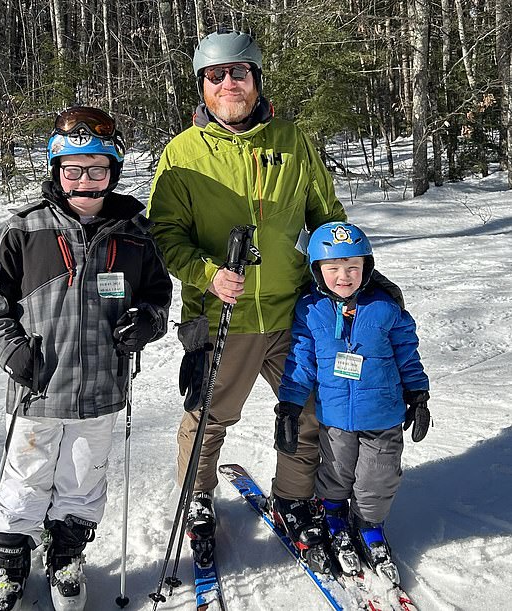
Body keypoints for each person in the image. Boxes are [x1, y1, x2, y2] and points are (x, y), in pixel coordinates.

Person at [147, 28, 349, 570]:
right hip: (220, 316)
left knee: (308, 412)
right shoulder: (182, 154)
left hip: (291, 311)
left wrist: (340, 270)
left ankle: (293, 497)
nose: (229, 83)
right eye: (217, 76)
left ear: (256, 81)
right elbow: (164, 235)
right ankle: (197, 497)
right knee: (208, 417)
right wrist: (207, 274)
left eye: (239, 73)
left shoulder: (292, 141)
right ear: (202, 88)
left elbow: (327, 217)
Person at [0, 106, 172, 610]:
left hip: (102, 390)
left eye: (96, 169)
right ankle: (11, 561)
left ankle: (66, 556)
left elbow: (158, 295)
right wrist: (8, 346)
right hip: (37, 388)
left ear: (113, 173)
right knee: (25, 480)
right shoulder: (25, 229)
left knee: (83, 480)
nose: (84, 180)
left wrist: (147, 320)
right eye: (72, 169)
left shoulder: (134, 233)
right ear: (57, 173)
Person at [276, 221, 430, 583]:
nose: (343, 276)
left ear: (367, 268)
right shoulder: (310, 310)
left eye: (352, 268)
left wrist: (418, 394)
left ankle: (369, 526)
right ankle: (332, 515)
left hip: (383, 415)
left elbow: (408, 353)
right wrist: (289, 405)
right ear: (317, 271)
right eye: (332, 269)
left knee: (377, 476)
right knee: (336, 472)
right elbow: (301, 361)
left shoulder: (385, 307)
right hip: (334, 417)